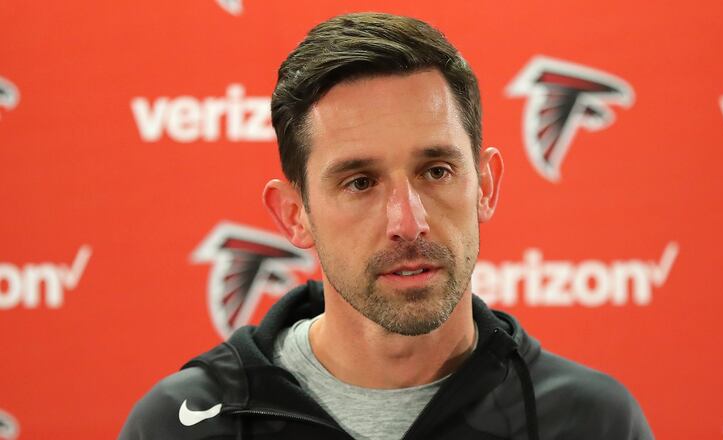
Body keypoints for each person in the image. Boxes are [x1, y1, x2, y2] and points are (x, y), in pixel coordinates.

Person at [120, 12, 654, 440]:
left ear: (486, 187)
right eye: (359, 182)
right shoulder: (183, 424)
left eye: (436, 171)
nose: (408, 221)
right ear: (293, 216)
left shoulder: (592, 422)